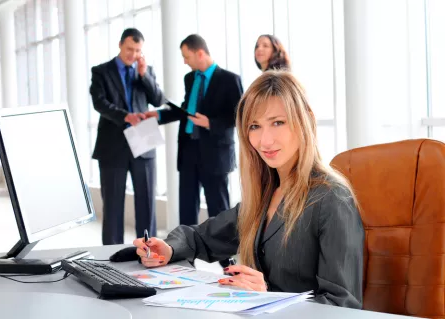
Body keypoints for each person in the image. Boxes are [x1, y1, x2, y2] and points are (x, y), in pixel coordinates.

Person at [134, 71, 364, 308]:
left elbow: (342, 305)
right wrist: (169, 248)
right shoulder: (265, 195)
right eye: (254, 126)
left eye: (278, 122)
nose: (264, 141)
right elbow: (201, 237)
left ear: (305, 120)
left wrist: (268, 296)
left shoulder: (332, 198)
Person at [145, 34, 243, 229]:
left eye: (186, 56)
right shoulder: (190, 78)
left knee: (219, 208)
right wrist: (159, 116)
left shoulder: (230, 80)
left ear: (200, 53)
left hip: (215, 153)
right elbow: (186, 109)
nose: (184, 61)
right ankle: (186, 251)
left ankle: (225, 257)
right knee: (187, 207)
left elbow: (240, 116)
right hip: (189, 149)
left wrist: (210, 123)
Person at [89, 28, 165, 245]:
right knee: (112, 205)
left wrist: (144, 75)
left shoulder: (146, 70)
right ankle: (112, 253)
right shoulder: (101, 71)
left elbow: (158, 100)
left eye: (138, 50)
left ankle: (148, 252)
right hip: (113, 145)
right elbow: (99, 103)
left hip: (144, 140)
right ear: (120, 45)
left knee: (147, 203)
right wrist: (125, 117)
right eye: (130, 49)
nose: (133, 54)